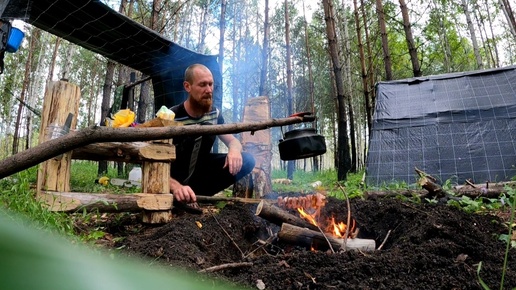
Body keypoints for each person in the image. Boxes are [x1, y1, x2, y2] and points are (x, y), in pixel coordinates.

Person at [169, 63, 255, 204]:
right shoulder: (171, 115)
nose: (209, 90)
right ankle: (181, 195)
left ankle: (199, 196)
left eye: (211, 84)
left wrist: (234, 150)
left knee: (248, 160)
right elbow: (153, 163)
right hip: (173, 179)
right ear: (187, 87)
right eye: (202, 85)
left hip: (200, 174)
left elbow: (233, 141)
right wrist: (175, 186)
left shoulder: (215, 115)